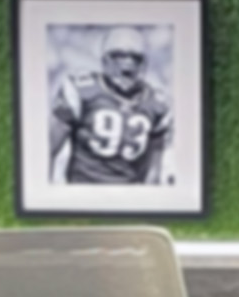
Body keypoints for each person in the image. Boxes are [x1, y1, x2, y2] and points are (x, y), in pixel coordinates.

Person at [48, 26, 173, 186]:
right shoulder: (81, 90)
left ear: (144, 63)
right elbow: (48, 150)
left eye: (135, 57)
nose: (128, 63)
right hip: (83, 194)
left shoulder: (157, 103)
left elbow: (153, 172)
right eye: (118, 55)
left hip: (130, 197)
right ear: (104, 60)